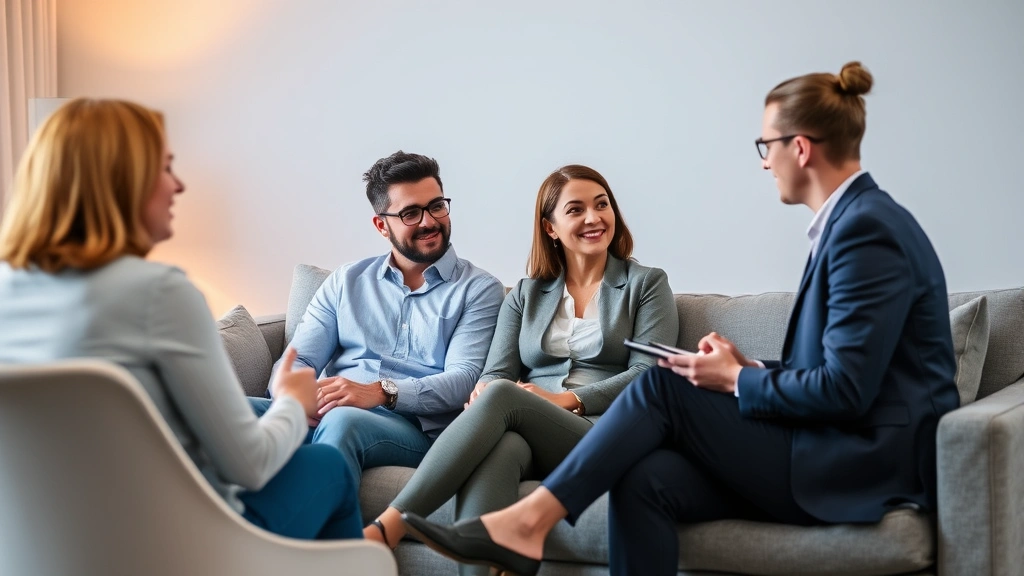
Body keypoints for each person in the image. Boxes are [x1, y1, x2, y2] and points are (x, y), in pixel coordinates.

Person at [401, 61, 961, 576]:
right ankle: (520, 526)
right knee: (643, 479)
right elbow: (838, 367)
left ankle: (527, 523)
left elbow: (847, 391)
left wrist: (738, 380)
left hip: (857, 466)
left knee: (666, 384)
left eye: (766, 145)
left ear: (801, 148)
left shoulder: (867, 232)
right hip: (826, 444)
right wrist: (750, 365)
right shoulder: (854, 226)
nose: (764, 160)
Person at [0, 98, 362, 539]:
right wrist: (290, 401)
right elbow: (250, 465)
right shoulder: (159, 293)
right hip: (177, 545)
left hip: (44, 542)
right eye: (166, 168)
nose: (180, 185)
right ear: (123, 179)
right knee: (327, 466)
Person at [365, 165, 678, 575]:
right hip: (534, 431)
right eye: (576, 209)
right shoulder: (527, 294)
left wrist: (563, 399)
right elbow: (495, 373)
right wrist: (486, 391)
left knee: (502, 398)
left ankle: (386, 527)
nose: (593, 218)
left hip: (607, 432)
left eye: (602, 205)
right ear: (550, 228)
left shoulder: (646, 285)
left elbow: (649, 375)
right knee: (502, 448)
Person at [249, 151, 505, 483]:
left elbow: (463, 379)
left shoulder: (479, 289)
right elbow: (298, 360)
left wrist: (382, 391)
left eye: (437, 206)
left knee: (343, 421)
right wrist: (291, 398)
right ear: (382, 225)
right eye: (411, 213)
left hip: (410, 428)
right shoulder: (345, 281)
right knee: (227, 413)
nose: (429, 221)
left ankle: (308, 532)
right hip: (329, 410)